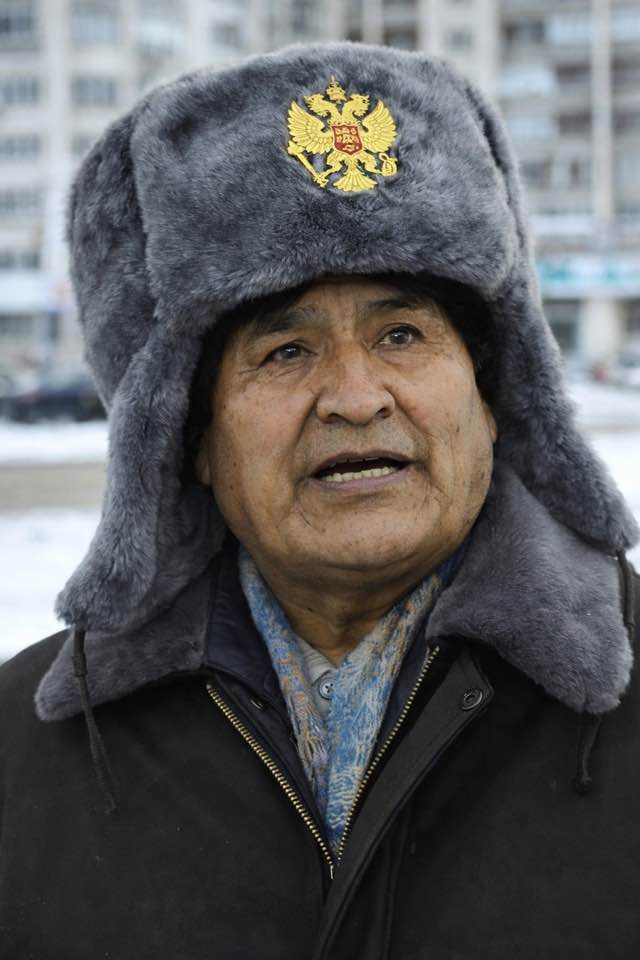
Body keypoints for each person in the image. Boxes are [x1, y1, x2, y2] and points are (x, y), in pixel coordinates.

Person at [0, 42, 638, 960]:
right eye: (286, 351)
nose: (356, 396)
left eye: (402, 333)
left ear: (493, 397)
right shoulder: (31, 752)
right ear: (190, 439)